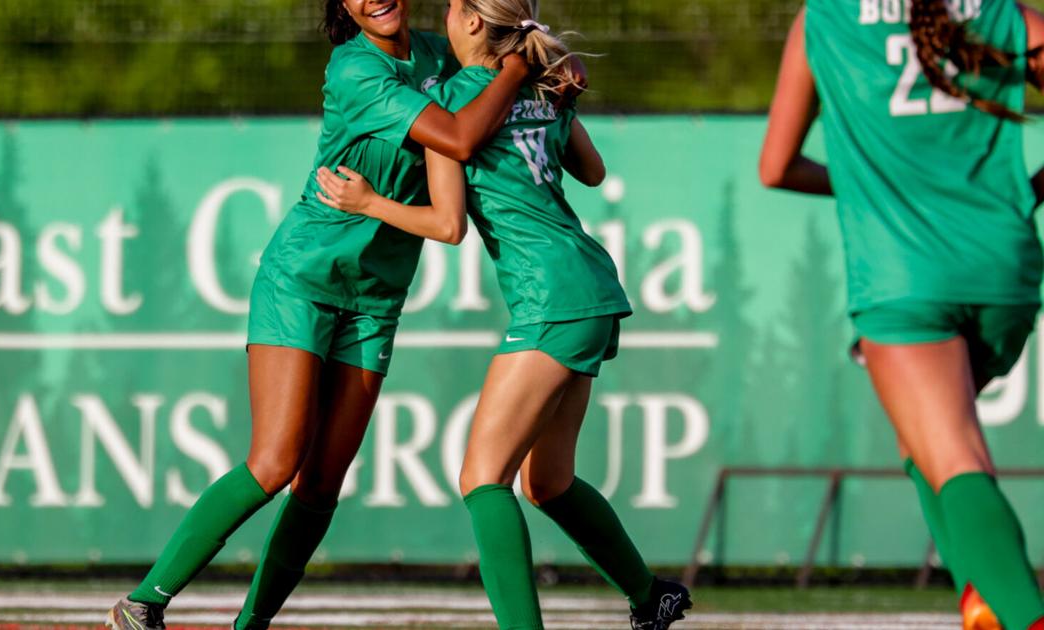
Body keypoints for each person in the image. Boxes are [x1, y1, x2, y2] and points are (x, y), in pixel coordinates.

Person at [106, 0, 534, 627]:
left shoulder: (441, 54)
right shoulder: (353, 71)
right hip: (303, 281)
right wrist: (519, 71)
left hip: (376, 298)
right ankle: (142, 604)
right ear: (342, 7)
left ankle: (249, 627)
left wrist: (553, 60)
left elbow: (513, 48)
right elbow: (462, 136)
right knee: (277, 461)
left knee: (322, 483)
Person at [315, 1, 692, 627]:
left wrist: (369, 202)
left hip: (549, 298)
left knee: (483, 479)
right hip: (591, 288)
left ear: (468, 24)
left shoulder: (451, 103)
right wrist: (549, 91)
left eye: (455, 4)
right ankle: (652, 596)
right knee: (549, 484)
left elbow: (446, 224)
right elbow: (593, 173)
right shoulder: (545, 88)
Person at [759, 1, 1044, 628]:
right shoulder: (1003, 13)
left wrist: (878, 183)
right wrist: (1031, 189)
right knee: (924, 440)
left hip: (904, 272)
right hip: (1005, 265)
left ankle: (1017, 611)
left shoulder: (824, 20)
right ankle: (983, 599)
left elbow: (775, 167)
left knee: (952, 453)